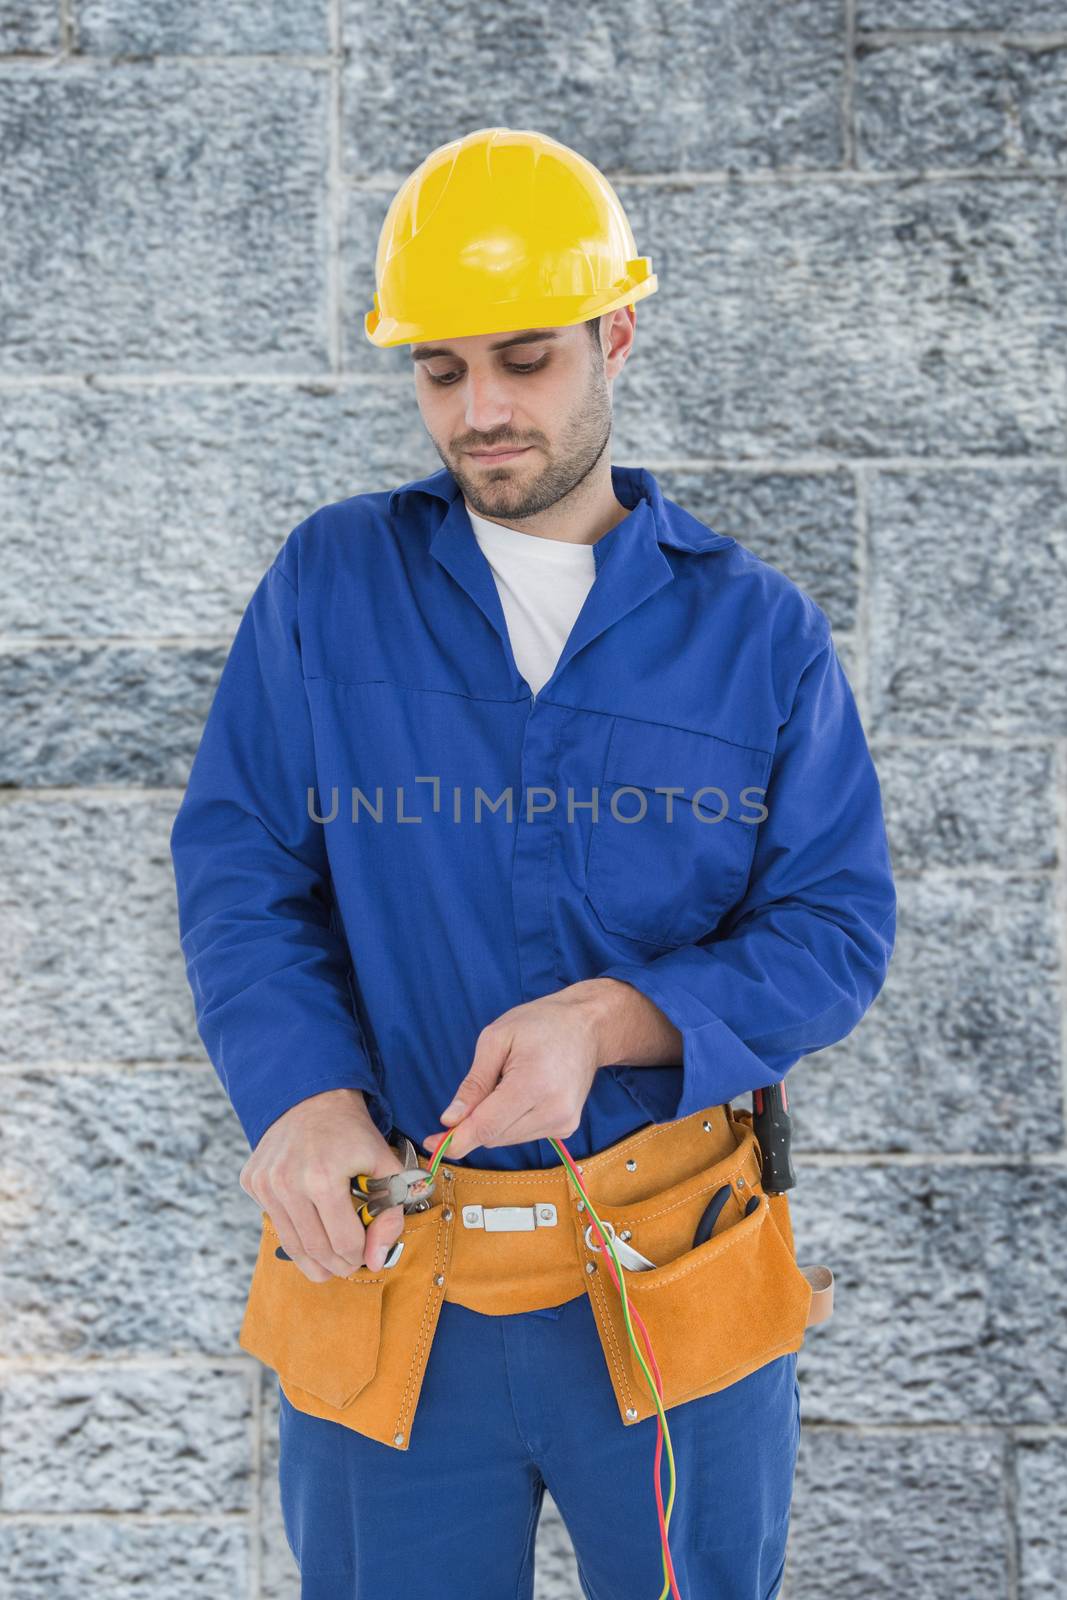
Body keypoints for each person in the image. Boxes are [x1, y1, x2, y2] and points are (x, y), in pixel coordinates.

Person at [169, 127, 896, 1599]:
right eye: (442, 372)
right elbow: (244, 863)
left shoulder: (758, 635)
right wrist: (300, 1099)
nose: (481, 410)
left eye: (526, 359)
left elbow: (834, 928)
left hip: (671, 1280)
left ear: (615, 332)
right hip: (393, 1288)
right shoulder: (330, 586)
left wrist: (611, 1019)